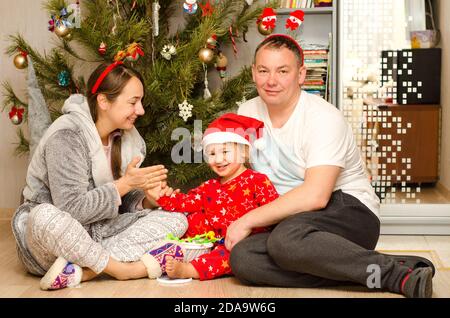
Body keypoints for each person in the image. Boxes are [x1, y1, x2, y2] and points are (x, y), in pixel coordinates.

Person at [227, 34, 435, 298]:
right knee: (244, 259)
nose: (271, 81)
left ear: (301, 74)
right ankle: (376, 266)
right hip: (295, 222)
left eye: (282, 71)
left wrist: (246, 221)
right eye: (264, 70)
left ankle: (396, 276)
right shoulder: (246, 113)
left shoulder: (322, 117)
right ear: (254, 73)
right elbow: (232, 174)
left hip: (349, 210)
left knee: (285, 241)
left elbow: (316, 195)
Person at [11, 62, 188, 290]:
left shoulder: (124, 137)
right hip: (52, 242)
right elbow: (71, 209)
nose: (141, 110)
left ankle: (84, 271)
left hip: (98, 233)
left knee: (177, 218)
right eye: (133, 102)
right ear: (103, 101)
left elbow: (119, 201)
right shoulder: (67, 136)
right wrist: (124, 185)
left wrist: (146, 200)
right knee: (42, 215)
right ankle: (122, 269)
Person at [145, 113, 279, 281]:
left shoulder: (257, 181)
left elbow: (274, 211)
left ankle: (189, 270)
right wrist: (162, 197)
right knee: (192, 218)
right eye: (212, 154)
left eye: (225, 151)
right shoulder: (209, 186)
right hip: (210, 240)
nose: (219, 159)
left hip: (243, 243)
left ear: (244, 153)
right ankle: (167, 250)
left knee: (226, 256)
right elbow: (186, 202)